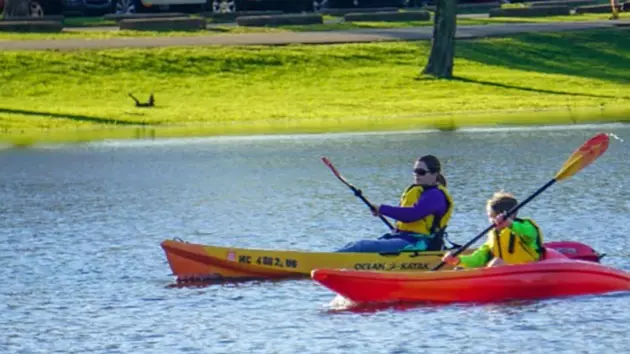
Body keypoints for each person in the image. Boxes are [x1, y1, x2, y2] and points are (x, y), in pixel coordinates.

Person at [336, 155, 454, 253]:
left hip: (420, 244)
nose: (416, 175)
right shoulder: (422, 192)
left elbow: (411, 215)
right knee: (352, 245)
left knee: (361, 246)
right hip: (404, 238)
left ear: (434, 174)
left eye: (421, 172)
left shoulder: (436, 195)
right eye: (415, 172)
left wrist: (382, 209)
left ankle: (320, 265)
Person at [441, 191, 545, 268]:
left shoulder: (525, 226)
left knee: (497, 262)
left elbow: (530, 233)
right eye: (489, 217)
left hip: (528, 273)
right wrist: (458, 259)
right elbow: (478, 258)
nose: (491, 221)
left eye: (493, 216)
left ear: (510, 215)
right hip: (505, 274)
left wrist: (509, 223)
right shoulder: (493, 235)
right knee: (459, 267)